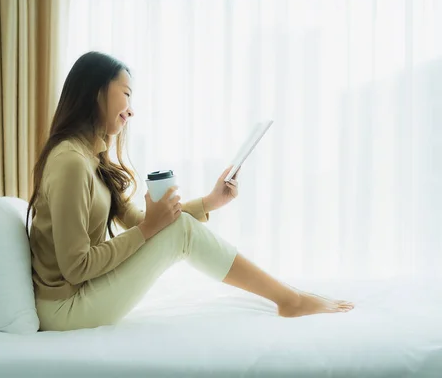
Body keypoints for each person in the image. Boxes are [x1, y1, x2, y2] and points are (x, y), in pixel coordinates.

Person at [27, 51, 354, 331]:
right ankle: (291, 300)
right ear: (96, 91)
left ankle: (290, 297)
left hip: (79, 294)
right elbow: (76, 266)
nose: (131, 108)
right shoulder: (70, 162)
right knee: (179, 231)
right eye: (126, 94)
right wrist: (148, 227)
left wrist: (210, 202)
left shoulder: (90, 157)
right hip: (63, 309)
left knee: (177, 229)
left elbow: (140, 222)